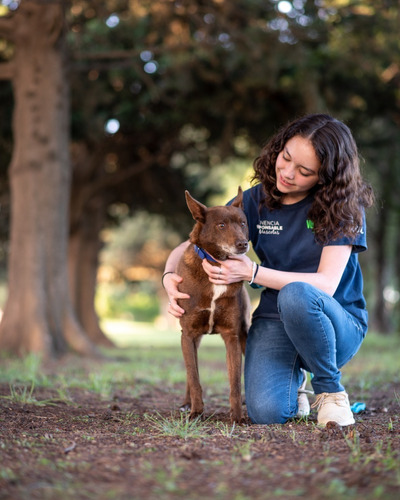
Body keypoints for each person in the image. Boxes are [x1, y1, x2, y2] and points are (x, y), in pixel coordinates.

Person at [162, 113, 374, 426]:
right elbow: (196, 241)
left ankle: (330, 392)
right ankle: (294, 384)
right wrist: (169, 275)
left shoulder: (343, 206)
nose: (287, 173)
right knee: (267, 412)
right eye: (285, 158)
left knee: (297, 294)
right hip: (276, 320)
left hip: (334, 322)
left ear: (326, 176)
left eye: (304, 171)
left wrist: (252, 273)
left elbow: (326, 284)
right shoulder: (255, 200)